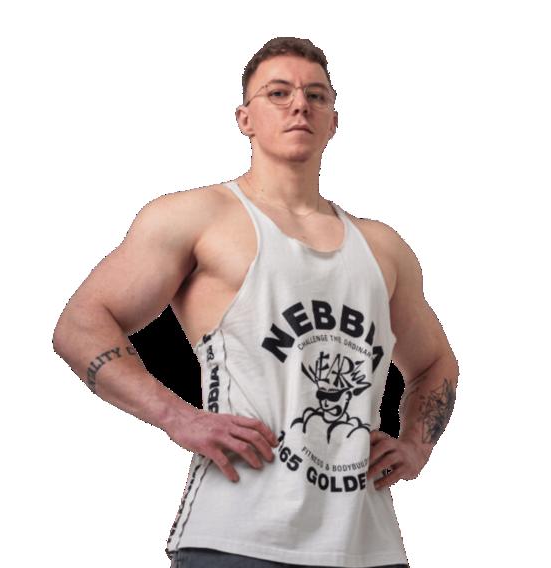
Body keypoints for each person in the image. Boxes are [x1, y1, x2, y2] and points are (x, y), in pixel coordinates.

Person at [52, 36, 459, 568]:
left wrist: (416, 447)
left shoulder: (383, 247)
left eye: (316, 95)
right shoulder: (197, 217)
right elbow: (80, 324)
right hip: (237, 538)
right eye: (278, 93)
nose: (299, 105)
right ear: (244, 119)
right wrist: (178, 417)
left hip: (368, 546)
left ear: (333, 121)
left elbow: (434, 363)